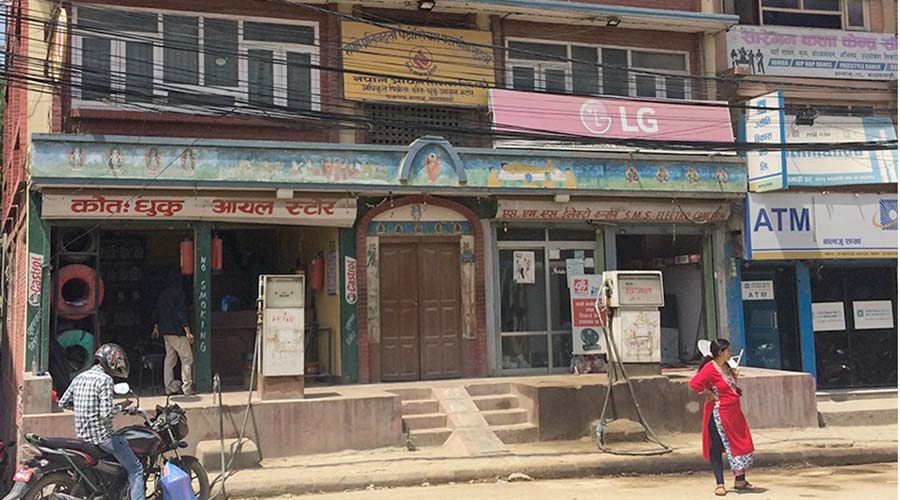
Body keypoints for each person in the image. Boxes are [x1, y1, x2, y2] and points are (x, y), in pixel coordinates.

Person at [59, 344, 144, 500]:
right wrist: (121, 406)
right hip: (102, 439)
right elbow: (106, 414)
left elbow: (63, 403)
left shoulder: (80, 377)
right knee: (136, 469)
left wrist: (85, 408)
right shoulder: (105, 380)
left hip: (83, 438)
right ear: (111, 361)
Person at [689, 339, 756, 496]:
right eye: (728, 351)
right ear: (720, 353)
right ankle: (719, 483)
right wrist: (708, 393)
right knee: (717, 446)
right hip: (719, 414)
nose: (730, 353)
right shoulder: (710, 368)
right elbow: (695, 383)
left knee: (739, 443)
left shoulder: (726, 367)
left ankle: (740, 479)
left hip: (734, 413)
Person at [152, 269, 194, 396]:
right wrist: (188, 331)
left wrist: (156, 327)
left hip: (165, 332)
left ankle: (169, 387)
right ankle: (187, 388)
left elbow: (157, 311)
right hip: (177, 332)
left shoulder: (163, 294)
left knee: (170, 358)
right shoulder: (179, 293)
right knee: (187, 358)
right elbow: (181, 313)